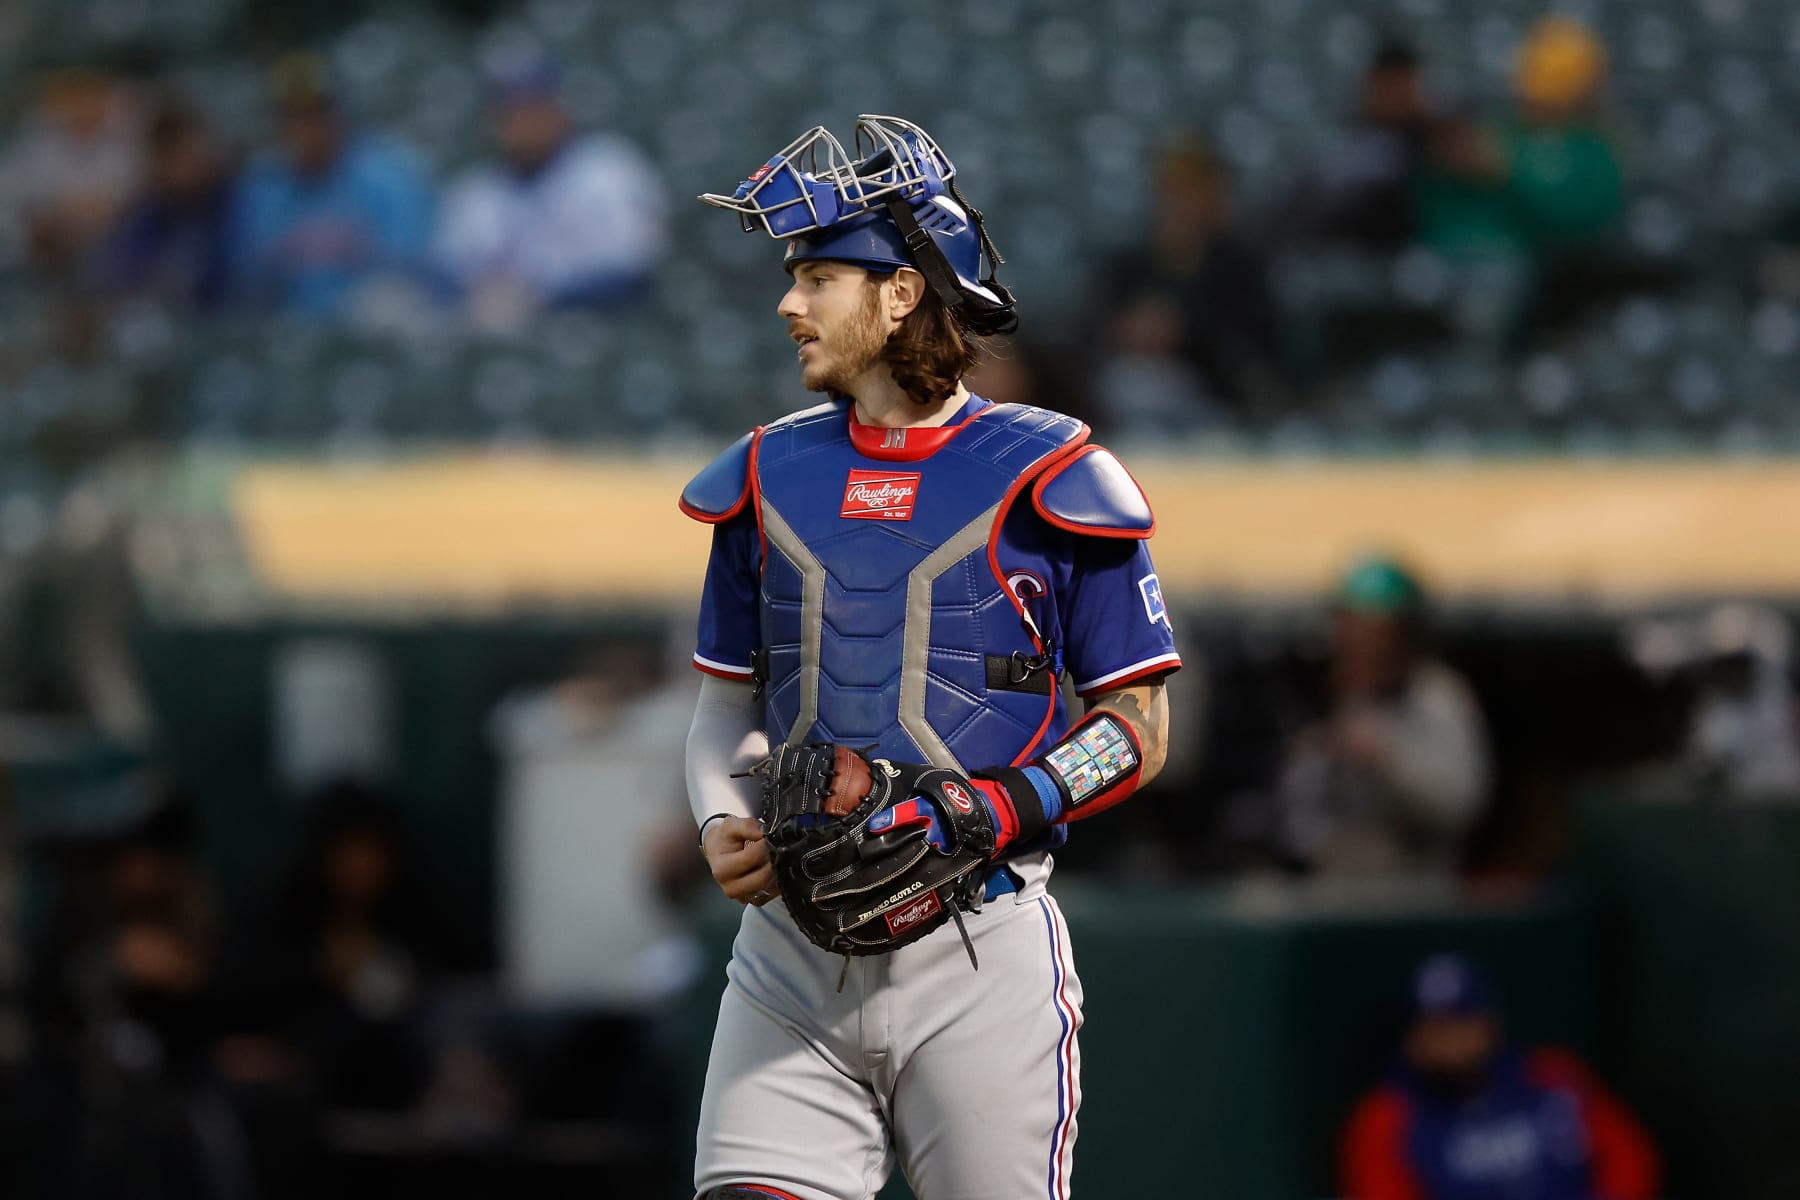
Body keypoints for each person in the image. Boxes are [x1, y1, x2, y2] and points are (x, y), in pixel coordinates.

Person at [681, 115, 1181, 1198]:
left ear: (900, 293)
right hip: (788, 952)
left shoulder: (1053, 471)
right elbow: (722, 714)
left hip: (980, 944)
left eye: (817, 275)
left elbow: (1138, 728)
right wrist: (722, 817)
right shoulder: (762, 474)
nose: (789, 303)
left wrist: (993, 809)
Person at [1340, 954, 1660, 1200]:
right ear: (1411, 1040)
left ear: (1491, 1025)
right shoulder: (1386, 1117)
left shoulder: (1552, 1074)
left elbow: (1631, 1160)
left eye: (1463, 1024)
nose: (1451, 1043)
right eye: (1435, 1029)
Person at [1273, 555, 1491, 878]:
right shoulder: (1337, 697)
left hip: (1413, 902)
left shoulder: (1438, 697)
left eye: (1373, 630)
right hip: (1335, 897)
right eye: (1349, 626)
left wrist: (1387, 757)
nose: (1356, 641)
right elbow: (1295, 817)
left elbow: (1460, 803)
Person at [431, 53, 666, 330]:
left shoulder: (607, 170)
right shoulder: (474, 194)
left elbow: (633, 272)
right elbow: (444, 276)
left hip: (594, 327)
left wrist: (546, 301)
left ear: (555, 107)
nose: (519, 122)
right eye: (508, 110)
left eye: (530, 107)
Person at [1086, 139, 1282, 430]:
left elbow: (1256, 346)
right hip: (1133, 396)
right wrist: (1127, 331)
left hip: (1215, 402)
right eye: (1174, 190)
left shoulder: (1239, 265)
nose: (1182, 202)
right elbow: (1092, 332)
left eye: (1194, 188)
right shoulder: (1130, 264)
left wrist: (1183, 329)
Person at [232, 54, 434, 319]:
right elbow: (252, 275)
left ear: (335, 113)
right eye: (292, 116)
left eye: (313, 113)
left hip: (367, 327)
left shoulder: (389, 177)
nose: (304, 128)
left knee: (386, 302)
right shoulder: (264, 187)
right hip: (290, 328)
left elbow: (408, 268)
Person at [1415, 17, 1622, 267]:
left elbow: (1585, 219)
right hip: (1457, 259)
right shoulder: (1498, 132)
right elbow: (1433, 210)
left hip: (1548, 273)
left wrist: (1507, 171)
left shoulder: (1593, 152)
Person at [99, 96, 241, 312]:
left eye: (188, 150)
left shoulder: (235, 202)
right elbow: (118, 277)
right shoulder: (147, 213)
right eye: (168, 154)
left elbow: (236, 277)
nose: (183, 164)